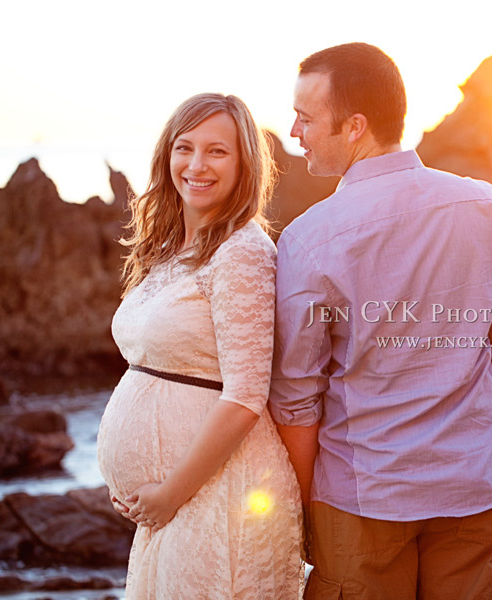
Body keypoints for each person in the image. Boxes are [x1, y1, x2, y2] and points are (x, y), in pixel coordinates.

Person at [269, 43, 492, 600]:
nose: (294, 131)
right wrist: (488, 464)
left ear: (355, 126)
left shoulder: (309, 239)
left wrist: (306, 506)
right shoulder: (491, 208)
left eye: (306, 118)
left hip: (360, 503)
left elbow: (296, 398)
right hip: (475, 490)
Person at [97, 93, 304, 599]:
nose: (196, 165)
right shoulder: (168, 250)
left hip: (222, 498)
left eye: (217, 151)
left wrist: (169, 492)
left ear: (244, 163)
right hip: (178, 507)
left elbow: (245, 395)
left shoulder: (242, 253)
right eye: (184, 147)